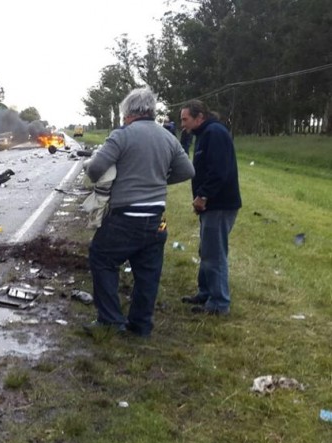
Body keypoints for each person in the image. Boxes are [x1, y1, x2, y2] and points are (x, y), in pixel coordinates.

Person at [83, 88, 194, 337]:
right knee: (148, 274)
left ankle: (111, 321)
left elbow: (96, 170)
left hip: (125, 217)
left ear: (129, 113)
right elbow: (187, 171)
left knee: (102, 258)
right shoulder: (168, 137)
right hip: (157, 220)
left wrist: (103, 169)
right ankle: (141, 326)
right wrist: (158, 180)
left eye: (124, 116)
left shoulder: (122, 136)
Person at [179, 100, 242, 315]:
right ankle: (205, 292)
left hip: (219, 204)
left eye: (185, 119)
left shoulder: (214, 133)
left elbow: (219, 171)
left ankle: (219, 303)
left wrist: (203, 196)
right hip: (211, 205)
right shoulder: (204, 134)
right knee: (206, 250)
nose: (182, 124)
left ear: (199, 117)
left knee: (214, 253)